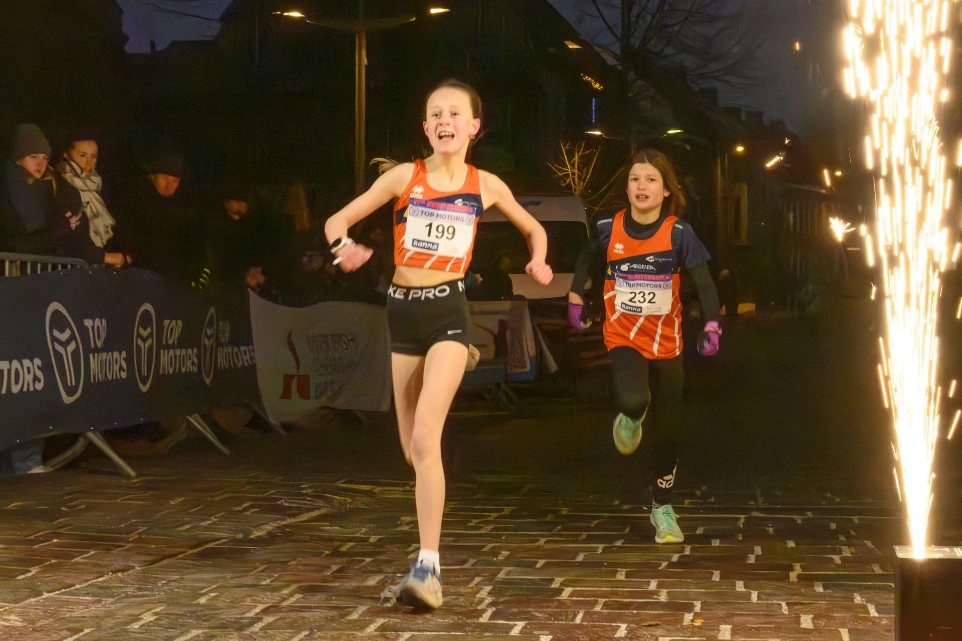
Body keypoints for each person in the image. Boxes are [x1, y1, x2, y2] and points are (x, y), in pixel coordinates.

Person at [324, 79, 553, 609]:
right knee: (412, 449)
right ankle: (452, 361)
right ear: (426, 128)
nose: (445, 121)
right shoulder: (403, 177)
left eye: (455, 113)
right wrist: (343, 248)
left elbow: (534, 230)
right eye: (436, 114)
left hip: (449, 312)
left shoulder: (486, 184)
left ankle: (429, 566)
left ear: (474, 126)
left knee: (428, 437)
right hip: (403, 315)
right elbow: (338, 220)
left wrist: (539, 259)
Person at [568, 148, 721, 545]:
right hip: (623, 335)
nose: (642, 186)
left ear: (666, 190)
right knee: (634, 398)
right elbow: (585, 259)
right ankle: (632, 415)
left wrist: (712, 323)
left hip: (667, 342)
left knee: (668, 431)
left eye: (651, 179)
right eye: (635, 179)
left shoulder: (678, 234)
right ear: (627, 187)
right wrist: (575, 296)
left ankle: (662, 507)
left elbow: (705, 284)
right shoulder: (608, 227)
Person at [53, 135, 131, 267]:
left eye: (93, 156)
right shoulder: (59, 186)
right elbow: (69, 237)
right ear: (66, 155)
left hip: (94, 265)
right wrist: (105, 257)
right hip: (70, 268)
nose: (89, 163)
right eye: (82, 155)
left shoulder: (97, 187)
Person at [1, 123, 60, 255]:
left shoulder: (47, 188)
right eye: (33, 156)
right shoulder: (6, 189)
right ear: (18, 157)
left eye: (45, 158)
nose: (40, 164)